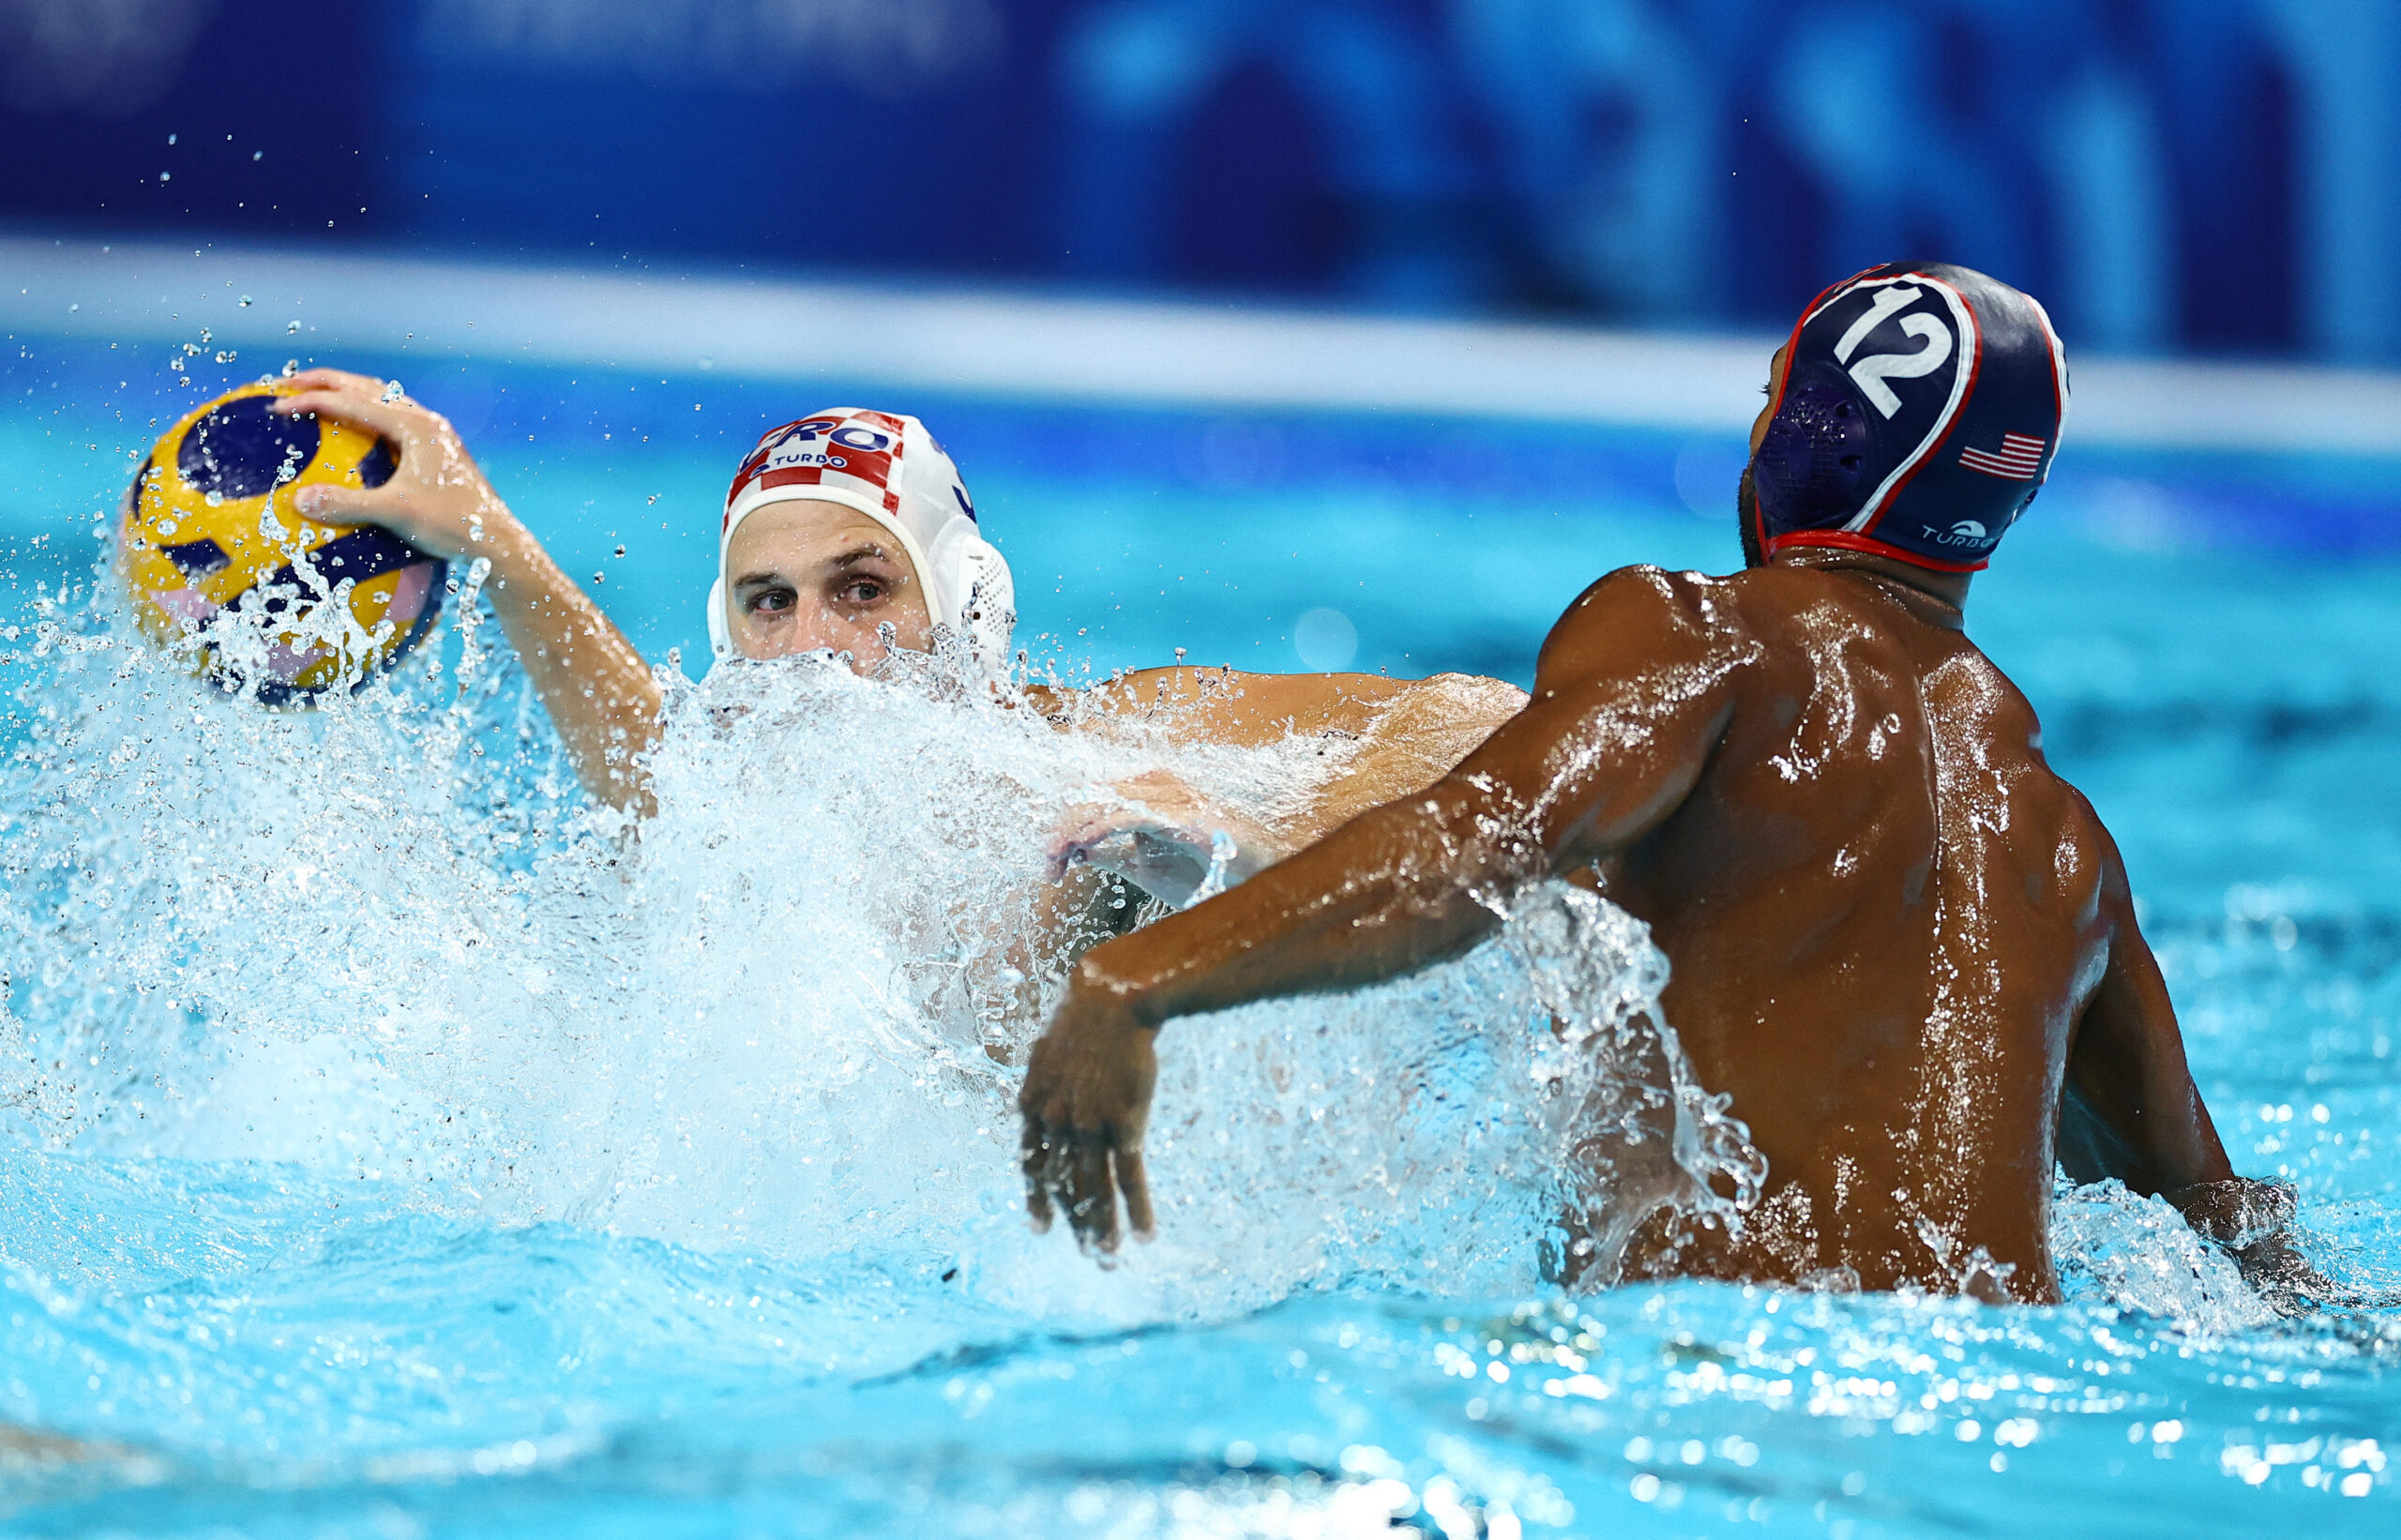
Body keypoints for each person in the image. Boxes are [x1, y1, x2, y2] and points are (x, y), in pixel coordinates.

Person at [1016, 262, 2314, 1306]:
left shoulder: (1707, 640)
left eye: (1769, 397)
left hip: (1714, 1392)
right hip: (1988, 1427)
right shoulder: (2066, 848)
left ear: (1806, 434)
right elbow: (2224, 1227)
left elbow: (1472, 846)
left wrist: (1140, 983)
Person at [266, 372, 1523, 920]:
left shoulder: (1093, 742)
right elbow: (649, 767)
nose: (815, 646)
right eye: (768, 604)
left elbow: (1477, 715)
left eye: (861, 587)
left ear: (966, 607)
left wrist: (1248, 833)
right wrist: (492, 539)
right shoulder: (755, 809)